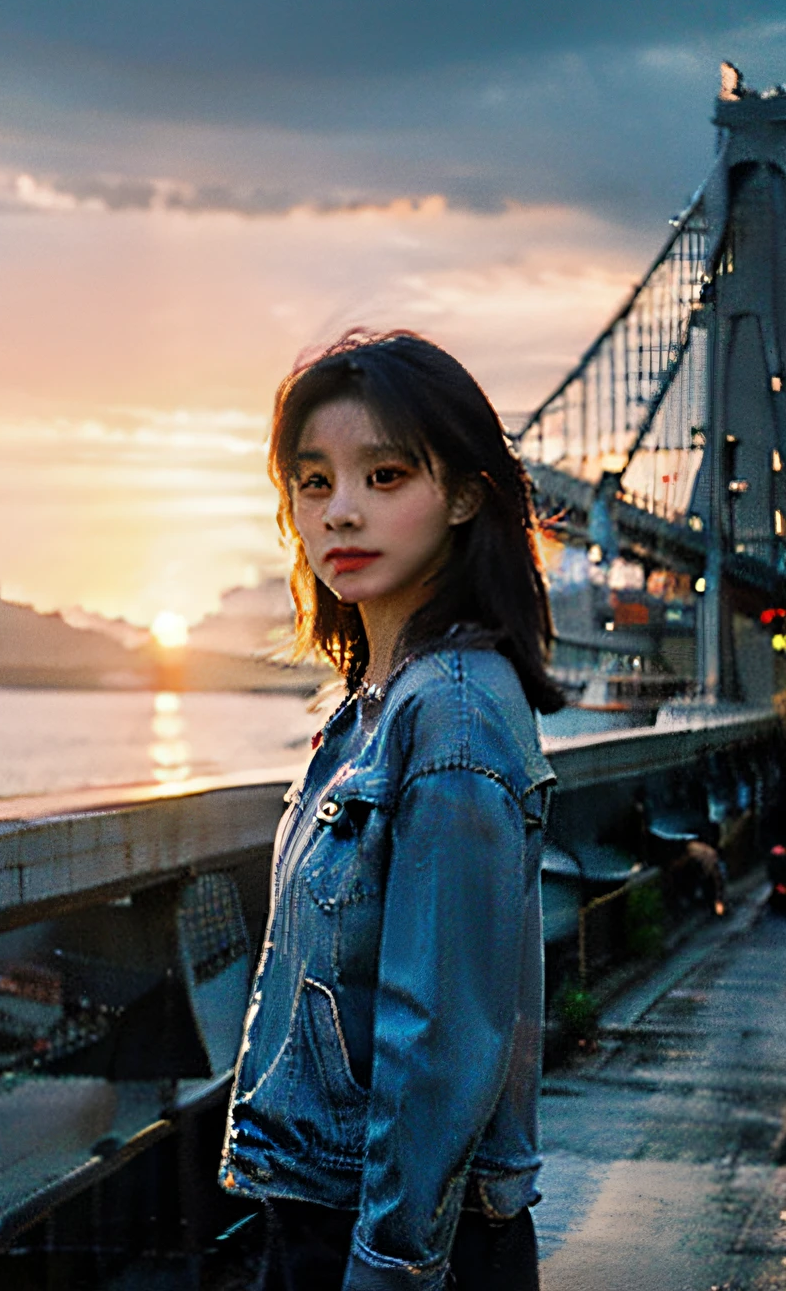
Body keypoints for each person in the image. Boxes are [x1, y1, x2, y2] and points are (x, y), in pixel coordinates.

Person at [219, 330, 564, 1290]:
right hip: (334, 1214)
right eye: (315, 480)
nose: (342, 511)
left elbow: (437, 1039)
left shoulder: (448, 711)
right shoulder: (379, 699)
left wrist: (390, 1268)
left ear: (462, 495)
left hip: (398, 1243)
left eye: (386, 474)